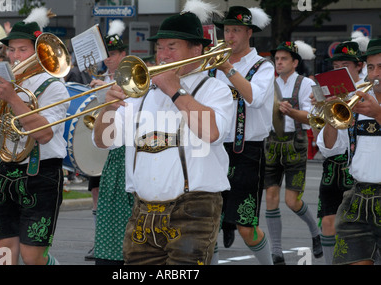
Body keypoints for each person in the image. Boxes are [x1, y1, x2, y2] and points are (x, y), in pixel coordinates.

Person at [93, 0, 233, 265]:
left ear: (196, 50)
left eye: (172, 47)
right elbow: (104, 141)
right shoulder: (139, 93)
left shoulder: (215, 90)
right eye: (160, 47)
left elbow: (211, 132)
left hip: (194, 209)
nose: (163, 55)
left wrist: (175, 89)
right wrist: (108, 108)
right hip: (141, 210)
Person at [0, 7, 69, 265]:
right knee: (4, 255)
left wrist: (13, 98)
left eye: (23, 49)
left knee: (32, 256)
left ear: (39, 53)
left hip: (40, 174)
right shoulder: (0, 84)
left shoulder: (55, 87)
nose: (16, 56)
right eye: (12, 50)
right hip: (3, 171)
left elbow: (45, 134)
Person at [212, 6, 274, 264]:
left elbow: (254, 98)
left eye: (236, 30)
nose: (230, 36)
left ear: (249, 32)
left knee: (246, 227)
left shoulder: (263, 66)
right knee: (208, 221)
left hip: (248, 150)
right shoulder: (213, 63)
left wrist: (227, 68)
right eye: (227, 30)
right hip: (213, 148)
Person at [316, 38, 381, 265]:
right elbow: (331, 148)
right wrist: (333, 115)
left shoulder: (371, 107)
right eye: (371, 67)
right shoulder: (358, 99)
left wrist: (378, 114)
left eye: (380, 67)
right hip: (358, 196)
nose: (375, 74)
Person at [264, 40, 321, 264]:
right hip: (271, 143)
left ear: (295, 62)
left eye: (284, 59)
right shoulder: (268, 83)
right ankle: (276, 252)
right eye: (276, 59)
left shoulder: (306, 83)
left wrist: (291, 112)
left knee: (292, 201)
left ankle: (315, 231)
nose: (279, 62)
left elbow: (311, 117)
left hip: (295, 143)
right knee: (270, 196)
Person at [90, 20, 134, 265]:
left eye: (114, 54)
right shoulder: (97, 77)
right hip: (113, 155)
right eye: (106, 55)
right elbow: (101, 140)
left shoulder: (132, 77)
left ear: (123, 55)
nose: (109, 59)